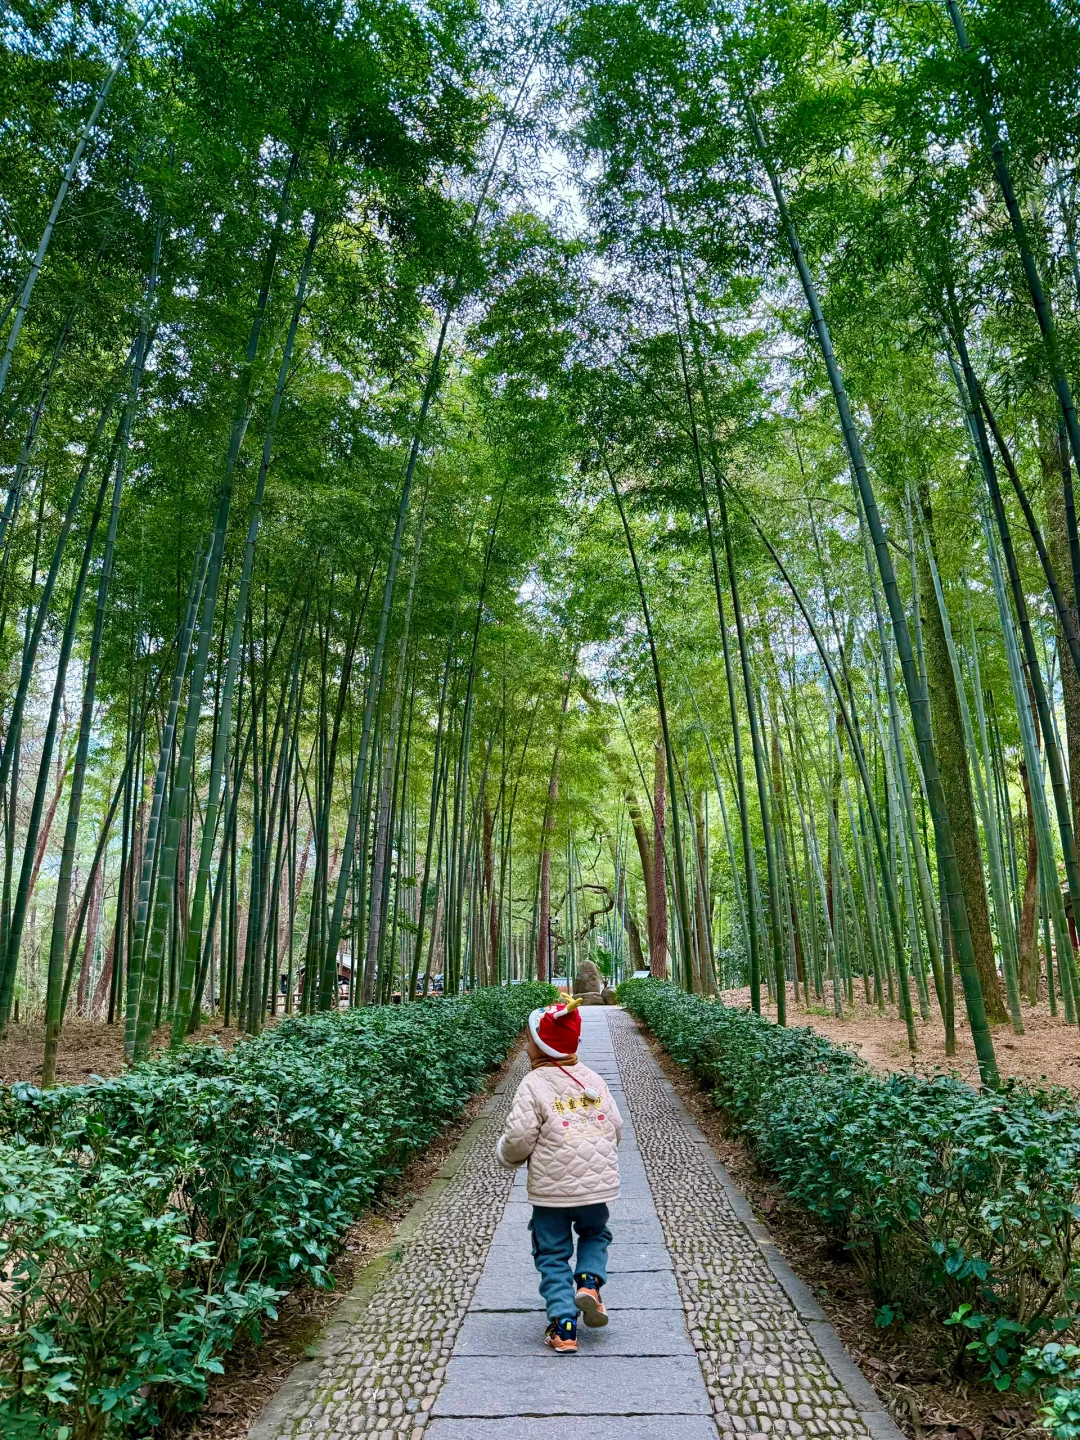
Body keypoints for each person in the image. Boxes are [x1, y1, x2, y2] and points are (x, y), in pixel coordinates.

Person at [495, 995, 623, 1354]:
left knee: (551, 1252)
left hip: (551, 1192)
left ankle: (564, 1325)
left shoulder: (533, 1085)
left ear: (540, 1047)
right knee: (595, 1233)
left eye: (528, 1040)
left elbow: (519, 1139)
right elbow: (616, 1127)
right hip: (597, 1188)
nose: (524, 1046)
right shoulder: (593, 1078)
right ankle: (588, 1284)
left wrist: (506, 1156)